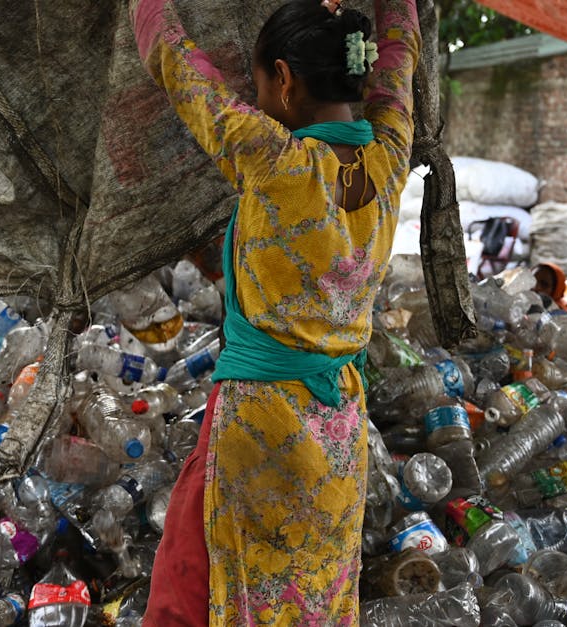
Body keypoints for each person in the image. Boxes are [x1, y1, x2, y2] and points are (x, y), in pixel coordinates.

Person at [130, 0, 419, 623]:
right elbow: (401, 56)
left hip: (263, 426)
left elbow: (178, 66)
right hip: (341, 423)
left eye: (261, 86)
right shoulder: (391, 154)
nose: (258, 102)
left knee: (240, 588)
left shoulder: (274, 160)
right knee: (316, 590)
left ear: (284, 81)